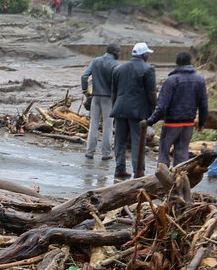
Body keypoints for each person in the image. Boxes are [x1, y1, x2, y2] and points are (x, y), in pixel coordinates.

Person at [146, 50, 208, 167]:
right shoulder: (199, 80)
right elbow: (204, 104)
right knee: (182, 153)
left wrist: (151, 121)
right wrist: (201, 123)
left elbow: (162, 106)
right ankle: (180, 180)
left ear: (177, 63)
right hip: (188, 124)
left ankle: (163, 180)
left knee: (164, 153)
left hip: (172, 124)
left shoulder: (172, 80)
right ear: (190, 62)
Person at [110, 43, 158, 179]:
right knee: (138, 141)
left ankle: (119, 169)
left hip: (119, 109)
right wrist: (156, 110)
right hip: (138, 112)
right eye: (147, 54)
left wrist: (115, 108)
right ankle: (138, 171)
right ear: (143, 55)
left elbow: (114, 93)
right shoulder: (148, 70)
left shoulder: (118, 69)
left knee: (120, 141)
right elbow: (151, 93)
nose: (148, 56)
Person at [81, 44, 120, 161]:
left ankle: (90, 152)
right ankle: (106, 153)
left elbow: (84, 76)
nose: (120, 54)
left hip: (95, 96)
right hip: (108, 98)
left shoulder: (96, 61)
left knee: (94, 124)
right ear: (113, 52)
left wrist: (85, 91)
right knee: (107, 126)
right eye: (118, 51)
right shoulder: (115, 65)